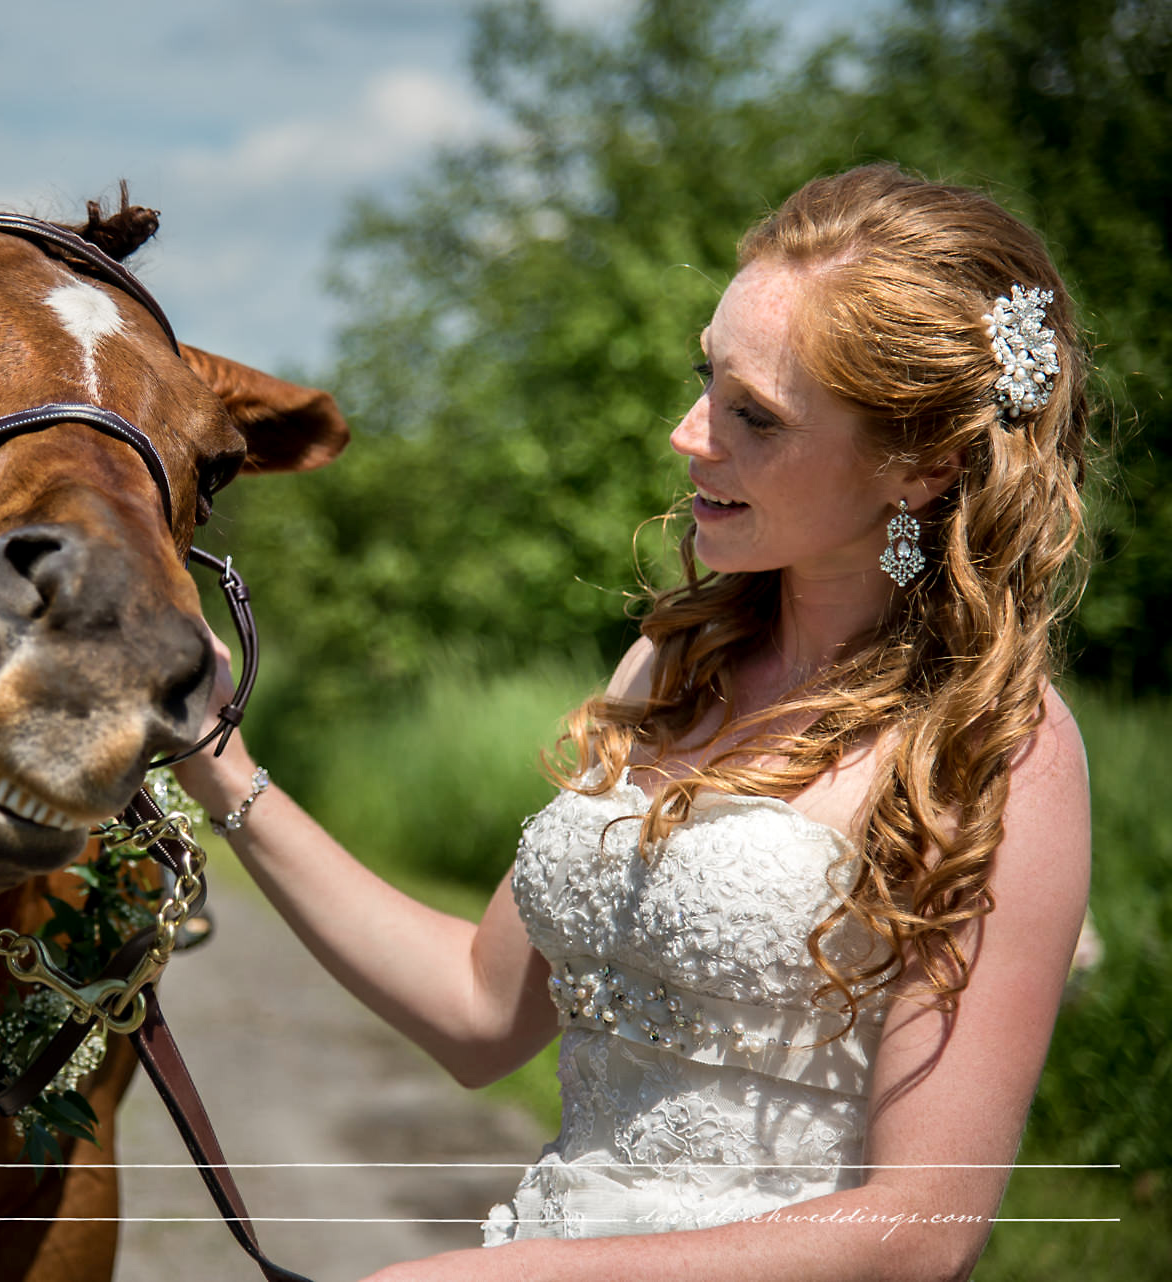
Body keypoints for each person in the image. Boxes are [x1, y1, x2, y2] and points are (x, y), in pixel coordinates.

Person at [172, 163, 1093, 1282]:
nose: (687, 434)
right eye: (706, 378)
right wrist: (219, 760)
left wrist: (485, 1278)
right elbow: (478, 1012)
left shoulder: (995, 746)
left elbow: (920, 1230)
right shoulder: (671, 663)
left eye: (754, 415)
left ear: (921, 465)